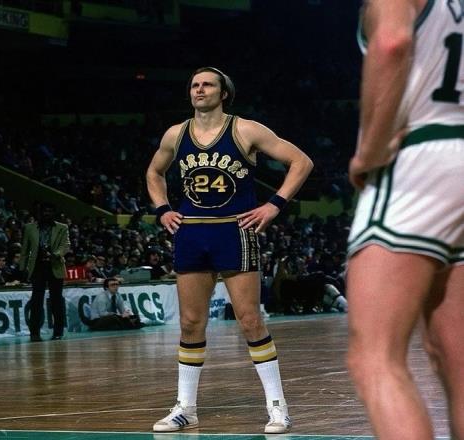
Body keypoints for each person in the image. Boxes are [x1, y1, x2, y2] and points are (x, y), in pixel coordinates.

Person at [146, 66, 313, 433]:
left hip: (234, 230)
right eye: (194, 84)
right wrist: (162, 210)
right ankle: (186, 407)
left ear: (224, 94)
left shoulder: (246, 130)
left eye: (207, 84)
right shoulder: (176, 134)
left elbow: (301, 162)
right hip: (191, 232)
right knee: (190, 323)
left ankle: (277, 407)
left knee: (250, 320)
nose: (199, 89)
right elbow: (154, 173)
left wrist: (274, 205)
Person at [347, 1, 464, 439]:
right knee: (456, 359)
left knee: (374, 357)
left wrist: (370, 150)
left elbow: (392, 42)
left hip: (423, 157)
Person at [19, 202, 70, 342]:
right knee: (36, 301)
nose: (47, 213)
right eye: (44, 211)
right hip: (37, 267)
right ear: (39, 213)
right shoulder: (29, 228)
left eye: (50, 211)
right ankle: (34, 333)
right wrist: (22, 269)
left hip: (55, 266)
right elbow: (24, 250)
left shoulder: (62, 227)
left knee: (56, 300)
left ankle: (58, 332)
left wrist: (55, 254)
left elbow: (66, 245)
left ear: (54, 213)